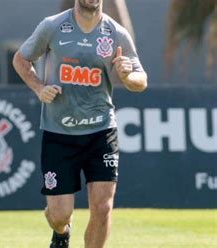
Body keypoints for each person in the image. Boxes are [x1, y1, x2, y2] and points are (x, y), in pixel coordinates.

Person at [12, 0, 147, 247]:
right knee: (59, 215)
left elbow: (141, 80)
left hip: (101, 131)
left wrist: (128, 76)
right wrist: (39, 88)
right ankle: (61, 231)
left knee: (103, 206)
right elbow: (21, 59)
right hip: (59, 132)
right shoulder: (52, 26)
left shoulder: (116, 32)